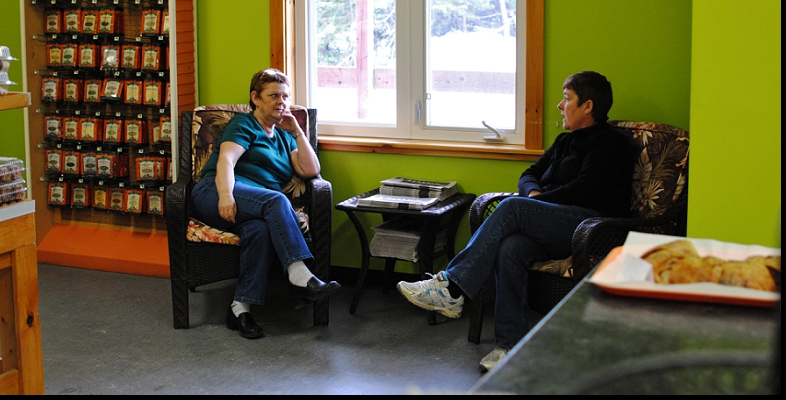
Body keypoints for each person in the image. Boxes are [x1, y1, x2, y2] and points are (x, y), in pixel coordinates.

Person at [397, 71, 634, 371]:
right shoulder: (564, 141)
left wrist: (535, 203)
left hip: (591, 226)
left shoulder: (610, 143)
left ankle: (452, 287)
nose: (560, 106)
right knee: (511, 247)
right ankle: (509, 347)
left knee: (512, 208)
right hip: (553, 224)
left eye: (567, 98)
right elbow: (529, 174)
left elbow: (585, 189)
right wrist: (533, 194)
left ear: (587, 106)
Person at [191, 68, 340, 339]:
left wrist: (297, 131)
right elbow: (226, 161)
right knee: (276, 199)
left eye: (285, 96)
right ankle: (299, 274)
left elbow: (310, 170)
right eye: (273, 95)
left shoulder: (284, 137)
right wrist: (226, 195)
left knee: (259, 230)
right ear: (255, 98)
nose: (281, 101)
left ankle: (240, 308)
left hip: (255, 206)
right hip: (215, 191)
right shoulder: (244, 124)